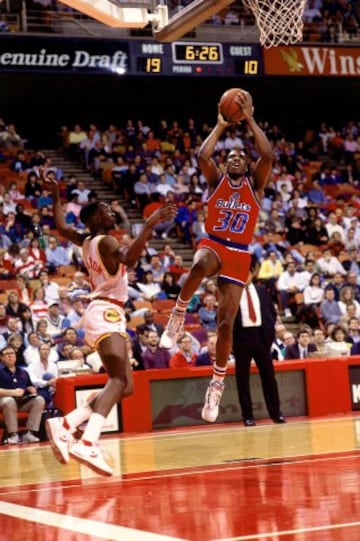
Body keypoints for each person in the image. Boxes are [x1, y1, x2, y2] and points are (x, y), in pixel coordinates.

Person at [42, 170, 177, 476]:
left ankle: (67, 423)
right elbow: (129, 260)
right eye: (105, 211)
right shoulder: (104, 241)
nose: (111, 212)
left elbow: (61, 226)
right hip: (105, 310)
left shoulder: (88, 239)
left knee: (125, 386)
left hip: (104, 311)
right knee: (117, 380)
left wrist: (55, 194)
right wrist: (151, 224)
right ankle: (88, 441)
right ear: (95, 220)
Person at [159, 91, 273, 423]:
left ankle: (217, 384)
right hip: (215, 242)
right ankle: (178, 315)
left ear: (248, 166)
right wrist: (221, 125)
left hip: (239, 253)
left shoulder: (256, 185)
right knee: (200, 264)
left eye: (241, 156)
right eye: (231, 157)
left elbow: (267, 153)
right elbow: (202, 154)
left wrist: (249, 118)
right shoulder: (216, 180)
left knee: (225, 325)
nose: (235, 158)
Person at [232, 260, 285, 426]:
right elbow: (224, 318)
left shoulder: (262, 290)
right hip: (242, 339)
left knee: (269, 377)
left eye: (247, 273)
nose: (244, 277)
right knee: (243, 379)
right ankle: (247, 416)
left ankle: (276, 414)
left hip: (261, 337)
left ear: (252, 274)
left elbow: (271, 312)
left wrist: (268, 337)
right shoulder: (231, 292)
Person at [0, 345, 45, 444]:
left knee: (39, 400)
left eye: (12, 353)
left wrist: (31, 389)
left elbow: (29, 386)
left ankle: (30, 433)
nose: (10, 356)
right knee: (9, 400)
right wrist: (12, 392)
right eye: (6, 354)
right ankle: (13, 435)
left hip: (22, 401)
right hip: (3, 401)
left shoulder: (23, 372)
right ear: (1, 357)